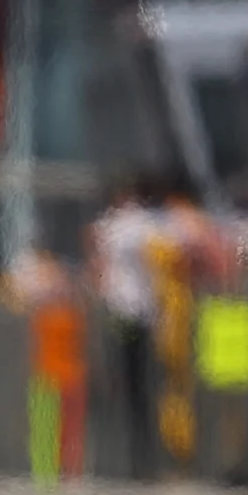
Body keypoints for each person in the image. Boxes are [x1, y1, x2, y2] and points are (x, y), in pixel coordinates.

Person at [89, 174, 161, 476]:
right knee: (144, 388)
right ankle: (143, 460)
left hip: (120, 312)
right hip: (143, 313)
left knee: (128, 387)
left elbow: (96, 260)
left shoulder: (110, 227)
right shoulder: (145, 224)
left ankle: (127, 461)